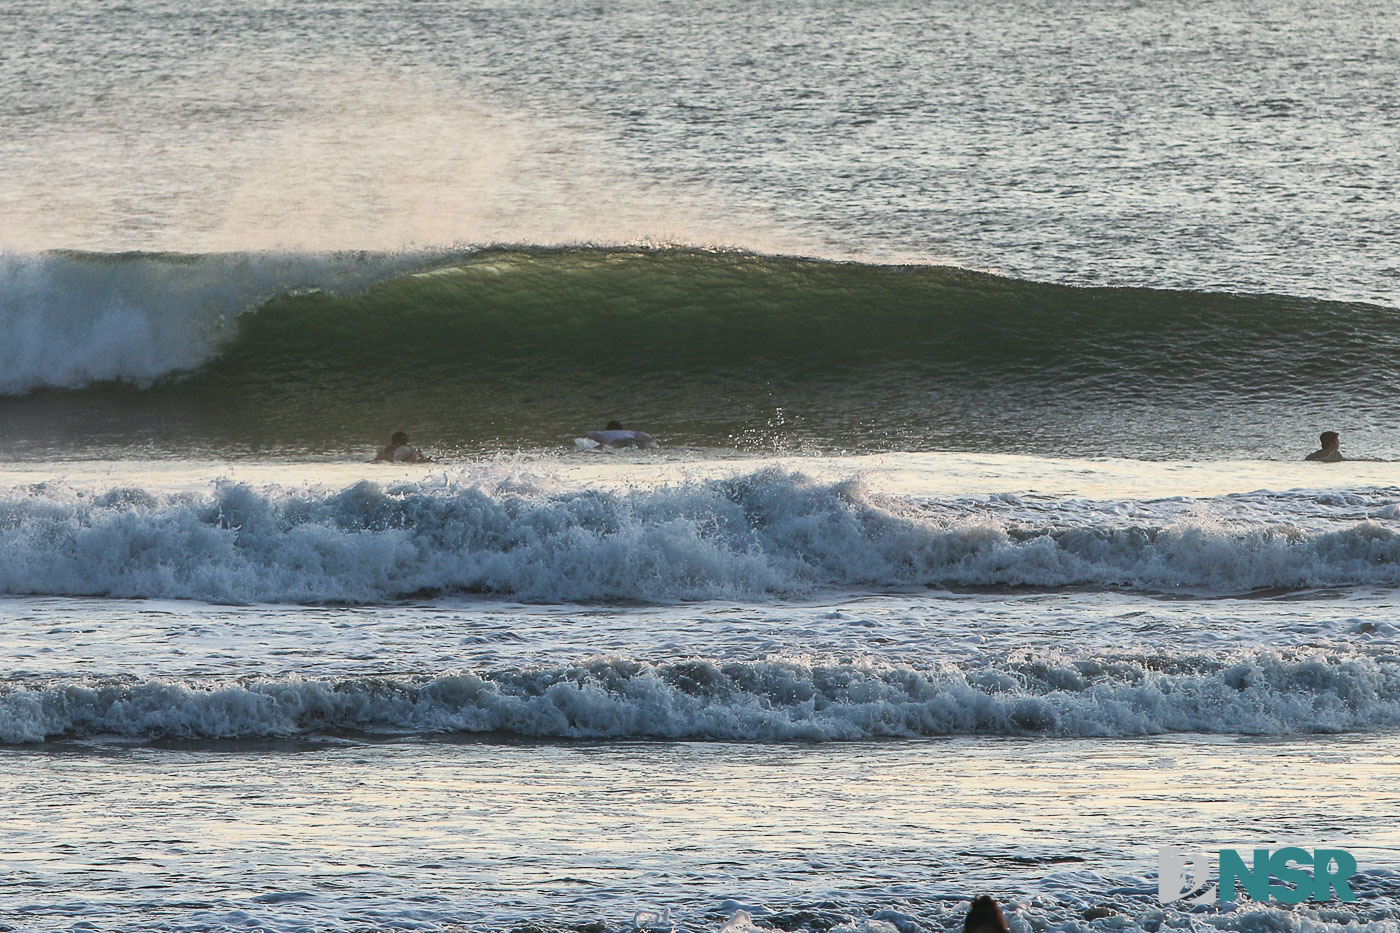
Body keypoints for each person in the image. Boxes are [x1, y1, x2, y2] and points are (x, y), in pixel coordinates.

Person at [583, 420, 658, 450]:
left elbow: (588, 435)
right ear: (621, 429)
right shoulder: (629, 432)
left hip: (615, 443)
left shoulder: (603, 434)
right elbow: (647, 437)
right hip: (630, 440)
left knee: (604, 446)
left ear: (608, 429)